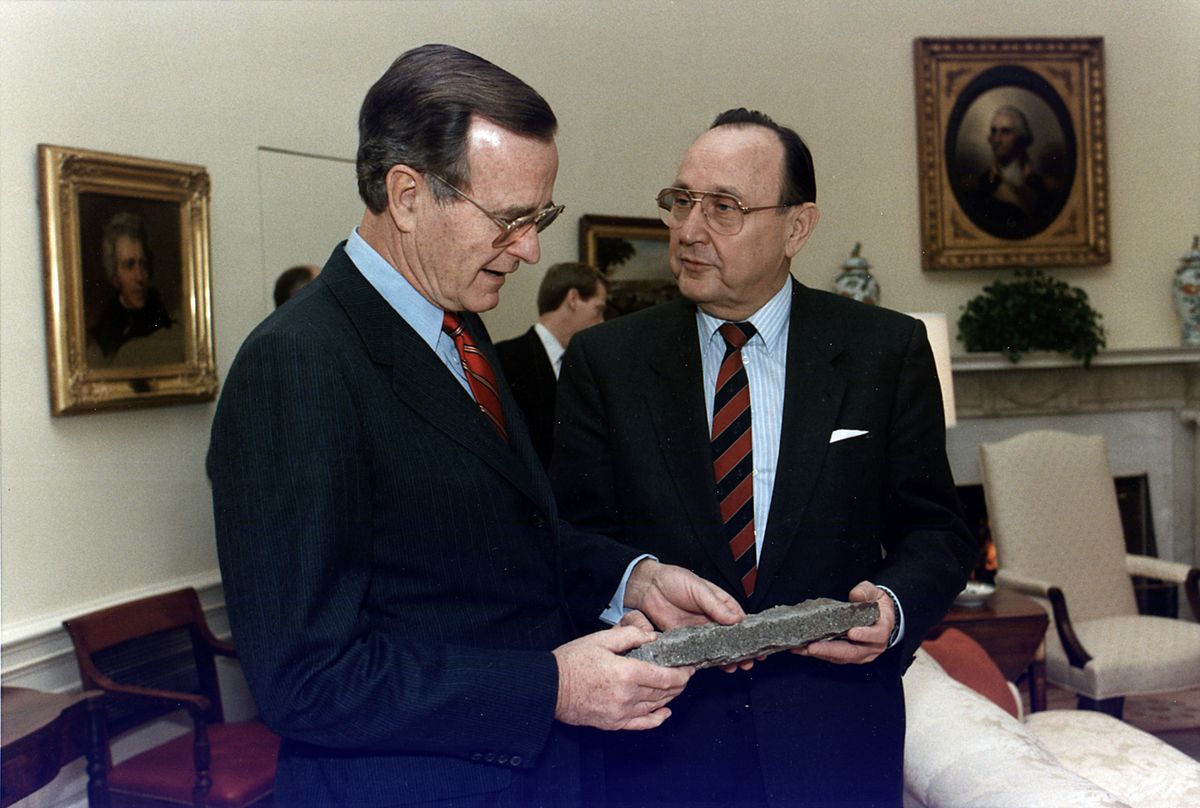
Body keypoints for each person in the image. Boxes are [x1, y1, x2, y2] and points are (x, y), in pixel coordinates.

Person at [207, 44, 744, 808]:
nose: (528, 249)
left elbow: (499, 539)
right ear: (406, 194)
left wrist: (635, 579)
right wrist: (550, 687)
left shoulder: (459, 327)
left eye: (539, 216)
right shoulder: (297, 364)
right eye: (510, 219)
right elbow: (306, 680)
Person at [551, 108, 977, 808]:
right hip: (661, 746)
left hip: (834, 738)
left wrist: (894, 609)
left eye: (723, 208)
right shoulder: (606, 362)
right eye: (680, 202)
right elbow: (566, 539)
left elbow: (937, 530)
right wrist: (637, 579)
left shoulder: (884, 353)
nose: (688, 231)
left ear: (797, 228)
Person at [495, 261, 607, 469]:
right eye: (598, 310)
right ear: (573, 299)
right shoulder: (502, 359)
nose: (601, 321)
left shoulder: (591, 367)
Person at [957, 105, 1063, 240]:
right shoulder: (978, 186)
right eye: (994, 131)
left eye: (1005, 132)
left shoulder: (1045, 186)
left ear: (1021, 138)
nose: (997, 139)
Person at [88, 211, 175, 360]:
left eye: (143, 264)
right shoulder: (103, 330)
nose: (139, 277)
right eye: (129, 265)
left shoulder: (164, 325)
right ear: (114, 274)